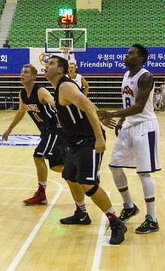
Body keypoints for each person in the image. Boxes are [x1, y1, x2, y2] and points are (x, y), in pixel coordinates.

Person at [45, 55, 127, 246]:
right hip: (74, 142)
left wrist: (99, 136)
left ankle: (116, 222)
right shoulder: (59, 88)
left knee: (87, 183)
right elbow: (87, 104)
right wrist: (101, 115)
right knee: (70, 176)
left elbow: (87, 105)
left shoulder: (65, 86)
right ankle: (81, 214)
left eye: (50, 64)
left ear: (60, 70)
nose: (46, 66)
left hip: (88, 140)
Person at [100, 44, 161, 235]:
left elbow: (140, 106)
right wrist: (122, 119)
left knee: (143, 173)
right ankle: (129, 205)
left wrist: (113, 114)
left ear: (140, 58)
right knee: (114, 166)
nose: (126, 56)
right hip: (129, 125)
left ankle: (152, 219)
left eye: (131, 54)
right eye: (126, 53)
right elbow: (129, 103)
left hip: (145, 126)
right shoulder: (126, 75)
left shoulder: (146, 76)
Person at [2, 63, 63, 206]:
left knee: (38, 155)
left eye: (26, 72)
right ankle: (80, 176)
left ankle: (41, 194)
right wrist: (9, 129)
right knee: (56, 166)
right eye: (21, 71)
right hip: (46, 132)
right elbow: (21, 112)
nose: (22, 74)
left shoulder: (40, 90)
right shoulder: (22, 93)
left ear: (33, 77)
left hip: (55, 129)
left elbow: (55, 103)